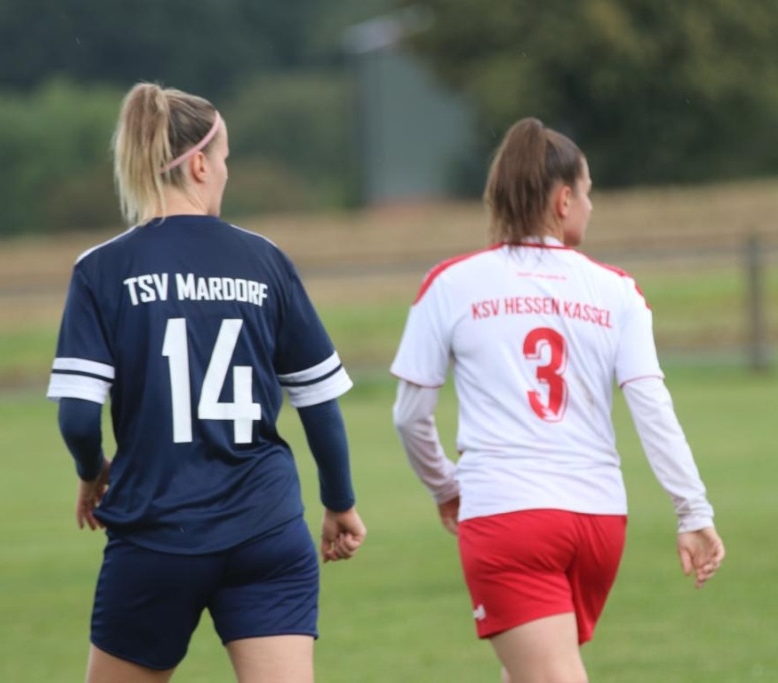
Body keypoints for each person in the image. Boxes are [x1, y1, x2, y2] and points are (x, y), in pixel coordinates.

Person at [47, 82, 366, 683]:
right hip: (267, 529)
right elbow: (318, 400)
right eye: (224, 159)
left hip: (157, 533)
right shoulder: (265, 260)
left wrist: (92, 473)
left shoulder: (101, 269)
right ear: (198, 165)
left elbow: (78, 418)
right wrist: (339, 503)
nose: (225, 171)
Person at [391, 117, 725, 682]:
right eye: (589, 192)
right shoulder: (618, 290)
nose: (591, 206)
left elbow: (409, 416)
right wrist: (692, 511)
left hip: (508, 517)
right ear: (563, 200)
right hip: (598, 521)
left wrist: (446, 487)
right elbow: (652, 407)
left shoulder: (451, 283)